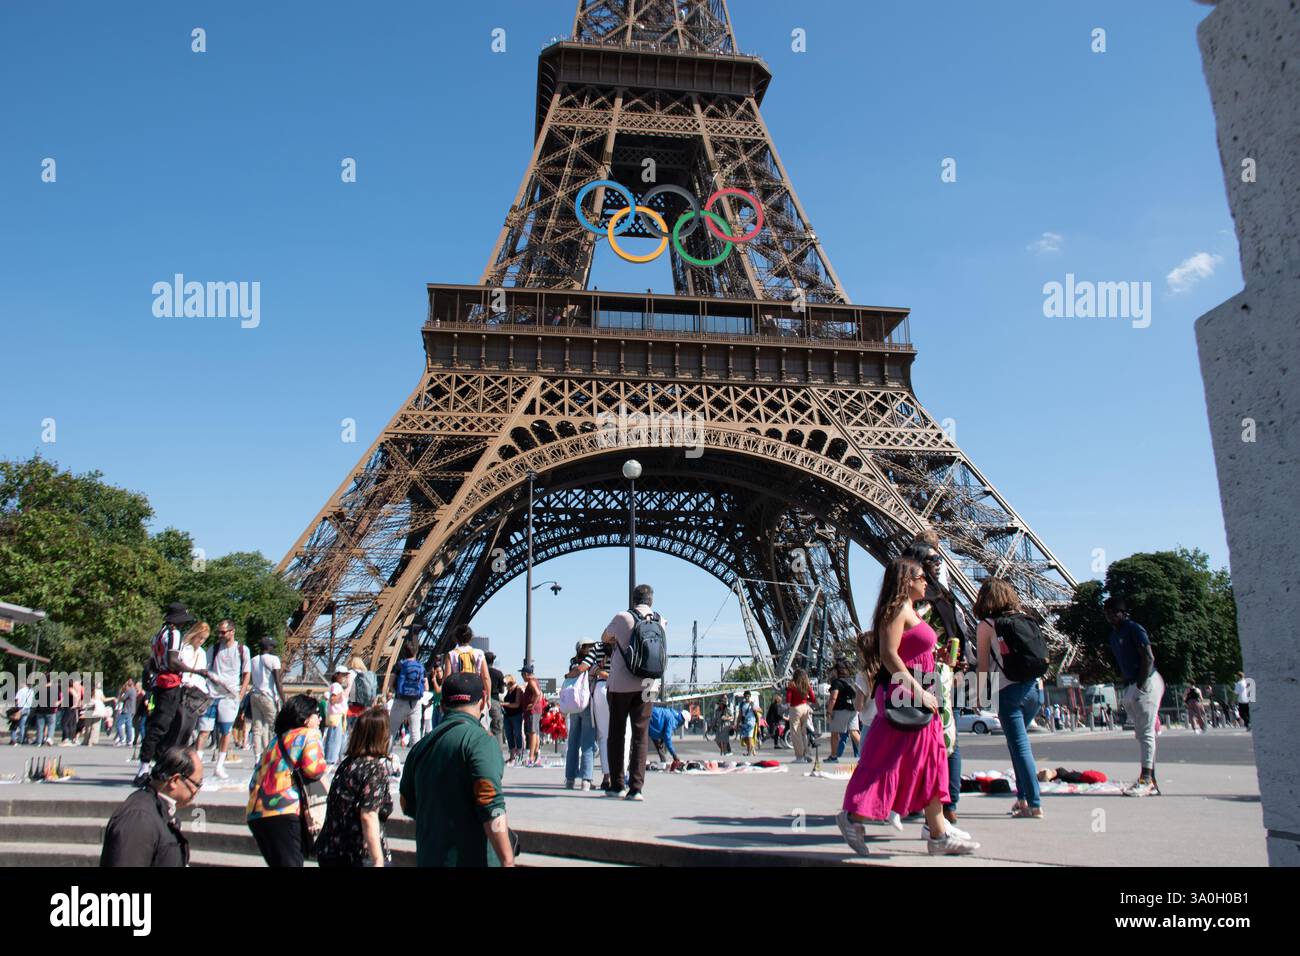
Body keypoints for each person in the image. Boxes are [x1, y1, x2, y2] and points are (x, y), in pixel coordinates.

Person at [837, 556, 978, 857]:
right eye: (920, 576)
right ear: (906, 580)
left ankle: (938, 834)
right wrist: (920, 693)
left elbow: (908, 649)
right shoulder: (895, 610)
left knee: (929, 759)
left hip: (920, 690)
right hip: (907, 694)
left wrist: (936, 654)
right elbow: (889, 656)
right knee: (891, 758)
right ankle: (854, 816)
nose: (926, 580)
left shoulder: (909, 609)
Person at [399, 672, 515, 867]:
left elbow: (406, 803)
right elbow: (490, 803)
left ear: (442, 704)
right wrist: (507, 859)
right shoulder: (480, 741)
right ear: (484, 700)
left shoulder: (420, 746)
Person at [904, 542, 971, 825]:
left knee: (938, 738)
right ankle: (936, 802)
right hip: (929, 671)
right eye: (933, 559)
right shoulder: (930, 596)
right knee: (933, 739)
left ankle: (942, 802)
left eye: (939, 558)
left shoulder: (926, 597)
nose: (939, 563)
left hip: (934, 672)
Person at [975, 578, 1045, 820]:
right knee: (1017, 747)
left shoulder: (986, 625)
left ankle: (1034, 805)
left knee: (1020, 748)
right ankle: (1023, 798)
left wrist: (979, 695)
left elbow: (983, 667)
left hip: (1008, 693)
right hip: (1033, 690)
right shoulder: (1023, 618)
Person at [246, 693, 327, 867]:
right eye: (317, 714)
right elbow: (314, 769)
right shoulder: (309, 734)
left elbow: (254, 779)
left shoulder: (275, 741)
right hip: (285, 809)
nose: (320, 719)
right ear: (306, 718)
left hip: (257, 812)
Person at [601, 583, 665, 802]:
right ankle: (636, 788)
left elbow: (604, 637)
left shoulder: (622, 617)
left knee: (616, 733)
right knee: (640, 734)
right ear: (651, 600)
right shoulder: (660, 620)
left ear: (633, 599)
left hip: (620, 683)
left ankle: (617, 784)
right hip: (648, 683)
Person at [138, 603, 207, 785]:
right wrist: (196, 671)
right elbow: (173, 661)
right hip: (170, 684)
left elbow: (152, 663)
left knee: (157, 726)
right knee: (164, 727)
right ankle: (149, 769)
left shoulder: (158, 635)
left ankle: (148, 765)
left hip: (159, 683)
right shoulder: (174, 634)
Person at [315, 706, 392, 867]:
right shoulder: (373, 769)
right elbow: (368, 815)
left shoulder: (347, 764)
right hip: (357, 853)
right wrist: (378, 860)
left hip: (331, 848)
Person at [1103, 596, 1165, 797]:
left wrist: (1140, 684)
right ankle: (1150, 780)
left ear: (1123, 613)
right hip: (1135, 682)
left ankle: (1146, 779)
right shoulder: (1114, 635)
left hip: (1146, 681)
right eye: (1108, 613)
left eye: (1114, 612)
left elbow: (1148, 657)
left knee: (1146, 733)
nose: (1111, 616)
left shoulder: (1133, 629)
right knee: (1142, 733)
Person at [101, 747, 202, 867]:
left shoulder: (161, 809)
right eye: (197, 784)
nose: (197, 791)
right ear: (175, 780)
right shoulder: (138, 817)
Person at [208, 620, 251, 778]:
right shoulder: (214, 650)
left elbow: (247, 673)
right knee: (204, 730)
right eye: (219, 632)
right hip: (213, 694)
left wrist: (241, 694)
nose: (220, 635)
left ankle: (219, 764)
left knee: (225, 731)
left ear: (232, 631)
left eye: (223, 632)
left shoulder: (241, 650)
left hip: (230, 695)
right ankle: (198, 763)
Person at [563, 640, 599, 789]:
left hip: (573, 706)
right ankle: (586, 779)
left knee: (573, 743)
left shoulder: (573, 665)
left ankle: (570, 778)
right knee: (588, 743)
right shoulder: (592, 663)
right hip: (587, 705)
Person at [443, 624, 492, 711]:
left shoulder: (451, 654)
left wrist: (444, 697)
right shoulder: (479, 653)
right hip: (475, 689)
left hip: (457, 691)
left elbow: (447, 678)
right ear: (470, 638)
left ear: (456, 638)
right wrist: (488, 697)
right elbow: (486, 677)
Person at [182, 622, 214, 751]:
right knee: (179, 727)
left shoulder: (201, 652)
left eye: (204, 639)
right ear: (194, 635)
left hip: (195, 695)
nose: (201, 641)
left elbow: (201, 675)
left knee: (188, 730)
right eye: (199, 637)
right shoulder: (185, 649)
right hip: (183, 690)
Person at [389, 640, 427, 749]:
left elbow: (390, 684)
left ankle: (385, 757)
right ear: (416, 652)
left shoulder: (399, 665)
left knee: (391, 731)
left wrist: (397, 691)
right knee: (415, 733)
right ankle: (417, 761)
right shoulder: (420, 666)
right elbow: (426, 687)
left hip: (400, 701)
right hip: (415, 702)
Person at [826, 662, 859, 763]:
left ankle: (833, 756)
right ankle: (867, 753)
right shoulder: (851, 681)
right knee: (854, 732)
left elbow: (833, 698)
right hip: (853, 710)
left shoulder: (836, 682)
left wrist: (829, 712)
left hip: (840, 710)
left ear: (837, 671)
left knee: (835, 734)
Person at [785, 669, 816, 763]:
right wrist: (806, 698)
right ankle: (807, 753)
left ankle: (800, 756)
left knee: (795, 733)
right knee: (804, 733)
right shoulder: (807, 685)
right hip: (805, 707)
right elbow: (813, 699)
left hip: (795, 708)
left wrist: (787, 705)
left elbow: (788, 698)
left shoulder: (792, 684)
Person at [324, 667, 352, 765]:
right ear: (338, 674)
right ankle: (331, 759)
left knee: (335, 738)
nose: (345, 677)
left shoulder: (336, 685)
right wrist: (344, 691)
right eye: (344, 675)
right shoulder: (336, 686)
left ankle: (332, 758)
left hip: (336, 715)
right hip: (336, 715)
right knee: (335, 739)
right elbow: (333, 700)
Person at [520, 666, 544, 767]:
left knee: (532, 733)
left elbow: (538, 694)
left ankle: (531, 757)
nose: (522, 676)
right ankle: (536, 754)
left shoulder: (531, 681)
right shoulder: (535, 681)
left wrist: (532, 705)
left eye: (522, 674)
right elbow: (540, 694)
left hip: (533, 711)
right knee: (536, 732)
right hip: (536, 710)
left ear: (526, 674)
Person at [502, 674, 525, 764]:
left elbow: (517, 704)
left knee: (517, 733)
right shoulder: (508, 690)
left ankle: (519, 755)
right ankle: (512, 756)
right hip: (507, 715)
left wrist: (503, 704)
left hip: (516, 715)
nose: (504, 685)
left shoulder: (517, 689)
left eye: (505, 683)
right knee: (509, 735)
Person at [485, 651, 506, 743]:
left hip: (482, 700)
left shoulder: (480, 673)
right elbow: (502, 690)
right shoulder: (498, 673)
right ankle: (497, 752)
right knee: (497, 728)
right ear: (493, 661)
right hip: (494, 700)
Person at [11, 674, 35, 745]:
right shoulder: (31, 691)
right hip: (28, 709)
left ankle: (14, 739)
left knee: (14, 724)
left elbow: (17, 701)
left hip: (20, 709)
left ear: (22, 683)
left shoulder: (20, 691)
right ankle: (21, 740)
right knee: (22, 725)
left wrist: (15, 708)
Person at [113, 679, 137, 747]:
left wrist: (122, 692)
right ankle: (129, 741)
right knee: (128, 725)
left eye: (128, 681)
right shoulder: (134, 690)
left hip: (126, 710)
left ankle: (122, 739)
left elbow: (122, 698)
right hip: (132, 710)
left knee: (118, 724)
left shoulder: (129, 690)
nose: (127, 682)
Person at [59, 676, 83, 746]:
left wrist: (75, 704)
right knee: (70, 724)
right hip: (71, 708)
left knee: (64, 723)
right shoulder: (72, 689)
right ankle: (69, 739)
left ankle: (67, 739)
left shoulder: (70, 689)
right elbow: (78, 697)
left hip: (69, 708)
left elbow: (76, 697)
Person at [734, 691, 759, 756]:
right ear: (744, 697)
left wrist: (755, 710)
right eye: (746, 696)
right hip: (745, 722)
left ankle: (749, 752)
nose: (747, 697)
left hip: (751, 722)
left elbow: (759, 711)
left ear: (750, 696)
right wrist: (737, 724)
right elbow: (740, 714)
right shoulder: (742, 704)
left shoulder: (752, 704)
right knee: (745, 738)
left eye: (748, 696)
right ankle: (751, 747)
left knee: (749, 737)